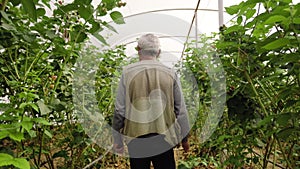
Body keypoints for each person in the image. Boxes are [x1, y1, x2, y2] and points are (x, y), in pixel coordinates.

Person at [112, 33, 190, 169]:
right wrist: (184, 138)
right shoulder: (170, 73)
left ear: (138, 50)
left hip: (136, 138)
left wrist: (117, 139)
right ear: (158, 52)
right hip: (164, 137)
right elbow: (181, 110)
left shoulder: (127, 73)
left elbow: (120, 110)